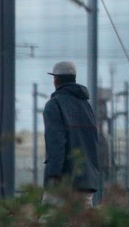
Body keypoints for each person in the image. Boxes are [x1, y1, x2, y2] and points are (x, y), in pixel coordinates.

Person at [43, 61, 102, 205]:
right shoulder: (86, 106)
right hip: (87, 181)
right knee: (82, 225)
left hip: (63, 182)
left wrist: (54, 174)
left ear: (56, 80)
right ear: (74, 79)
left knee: (48, 223)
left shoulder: (54, 105)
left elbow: (56, 143)